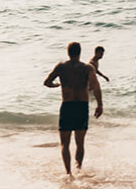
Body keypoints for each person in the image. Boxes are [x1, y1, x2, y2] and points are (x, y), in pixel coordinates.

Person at [44, 42, 103, 175]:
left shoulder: (61, 67)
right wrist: (100, 105)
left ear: (68, 52)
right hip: (82, 106)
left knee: (65, 143)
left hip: (67, 106)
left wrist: (56, 85)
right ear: (80, 52)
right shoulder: (87, 68)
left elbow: (46, 82)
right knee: (80, 142)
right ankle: (78, 168)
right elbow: (96, 86)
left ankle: (68, 173)